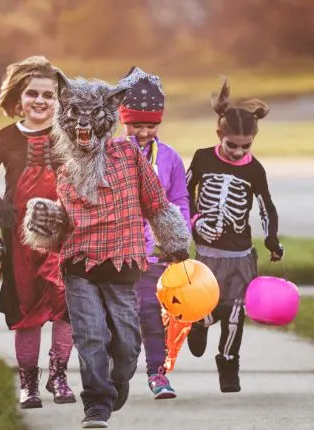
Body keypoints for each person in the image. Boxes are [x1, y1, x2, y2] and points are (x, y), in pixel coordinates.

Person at [21, 71, 192, 429]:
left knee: (127, 347)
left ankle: (116, 383)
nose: (83, 128)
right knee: (91, 337)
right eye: (75, 119)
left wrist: (175, 243)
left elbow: (156, 202)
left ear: (107, 118)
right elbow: (63, 218)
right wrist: (45, 221)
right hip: (79, 264)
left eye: (91, 119)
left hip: (124, 263)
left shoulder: (128, 155)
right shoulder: (63, 163)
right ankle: (96, 405)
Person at [0, 55, 75, 409]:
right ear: (18, 99)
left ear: (59, 100)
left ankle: (59, 376)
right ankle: (28, 383)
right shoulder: (5, 139)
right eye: (33, 94)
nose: (41, 101)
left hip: (64, 237)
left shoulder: (69, 135)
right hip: (20, 241)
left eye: (49, 95)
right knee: (25, 310)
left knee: (66, 307)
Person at [184, 76, 284, 393]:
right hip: (208, 254)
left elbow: (266, 206)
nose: (239, 152)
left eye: (246, 146)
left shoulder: (254, 169)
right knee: (208, 308)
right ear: (219, 135)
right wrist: (195, 221)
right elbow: (182, 195)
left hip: (240, 255)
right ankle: (199, 324)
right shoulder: (202, 158)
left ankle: (228, 363)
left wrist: (272, 238)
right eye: (232, 145)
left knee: (235, 312)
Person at [116, 66, 191, 400]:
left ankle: (157, 374)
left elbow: (179, 200)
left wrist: (175, 240)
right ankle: (115, 375)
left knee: (151, 313)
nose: (143, 132)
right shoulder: (110, 153)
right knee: (118, 320)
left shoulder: (170, 158)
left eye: (150, 125)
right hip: (115, 252)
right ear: (122, 120)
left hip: (152, 254)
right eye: (136, 125)